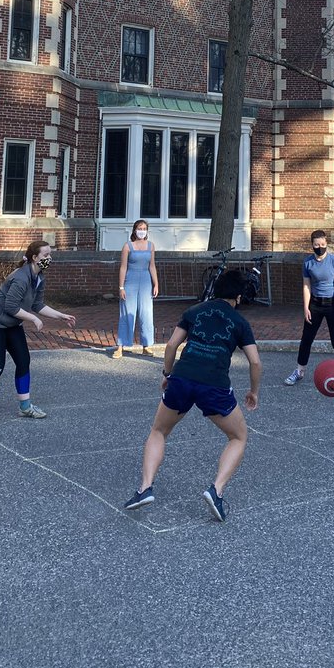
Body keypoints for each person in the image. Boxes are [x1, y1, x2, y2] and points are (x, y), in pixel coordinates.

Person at [123, 269, 262, 522]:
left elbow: (171, 345)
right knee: (238, 437)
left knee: (159, 431)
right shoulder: (240, 322)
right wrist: (253, 391)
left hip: (183, 378)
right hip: (215, 385)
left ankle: (145, 488)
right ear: (239, 297)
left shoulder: (195, 311)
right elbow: (255, 362)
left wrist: (167, 373)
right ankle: (216, 490)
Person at [0, 240, 76, 428]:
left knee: (24, 361)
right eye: (46, 255)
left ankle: (25, 407)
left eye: (50, 255)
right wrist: (33, 319)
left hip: (11, 323)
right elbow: (10, 307)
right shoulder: (21, 277)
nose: (50, 258)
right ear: (35, 257)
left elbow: (37, 304)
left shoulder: (39, 276)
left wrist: (60, 315)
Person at [283, 229, 334, 386]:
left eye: (322, 244)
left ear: (326, 243)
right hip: (315, 304)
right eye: (316, 244)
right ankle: (299, 371)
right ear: (312, 245)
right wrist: (306, 307)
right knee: (306, 339)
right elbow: (306, 286)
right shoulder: (308, 262)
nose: (319, 247)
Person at [113, 219, 159, 358]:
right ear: (134, 230)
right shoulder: (127, 246)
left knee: (146, 313)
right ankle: (121, 346)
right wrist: (121, 287)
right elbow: (123, 267)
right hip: (130, 280)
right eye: (140, 228)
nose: (142, 231)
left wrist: (156, 283)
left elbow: (152, 266)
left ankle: (146, 345)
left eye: (144, 228)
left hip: (145, 281)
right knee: (127, 312)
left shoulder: (151, 246)